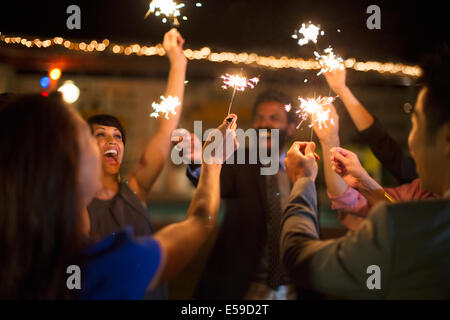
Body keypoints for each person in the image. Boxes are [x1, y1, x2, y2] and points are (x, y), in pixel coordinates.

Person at [0, 93, 237, 299]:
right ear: (64, 169)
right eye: (88, 137)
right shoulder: (106, 266)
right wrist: (212, 163)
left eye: (117, 136)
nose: (109, 143)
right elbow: (200, 222)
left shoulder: (18, 262)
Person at [280, 48, 450, 298]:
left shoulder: (408, 227)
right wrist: (365, 182)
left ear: (447, 138)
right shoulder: (420, 207)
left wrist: (303, 181)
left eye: (415, 124)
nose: (411, 142)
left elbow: (298, 258)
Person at [86, 28, 186, 299]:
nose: (113, 141)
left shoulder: (135, 190)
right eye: (101, 135)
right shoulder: (74, 207)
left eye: (117, 136)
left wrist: (178, 63)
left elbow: (166, 130)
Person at [186, 89, 302, 300]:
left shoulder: (304, 168)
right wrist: (200, 162)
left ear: (291, 127)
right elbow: (213, 183)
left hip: (295, 289)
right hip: (243, 287)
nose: (265, 124)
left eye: (274, 118)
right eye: (259, 118)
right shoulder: (238, 160)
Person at [312, 102, 437, 230]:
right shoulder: (418, 191)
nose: (412, 142)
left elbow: (410, 227)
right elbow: (349, 201)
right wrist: (329, 140)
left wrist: (302, 183)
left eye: (419, 126)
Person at [323, 67, 418, 184]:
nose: (413, 137)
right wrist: (341, 89)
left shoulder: (420, 189)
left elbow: (382, 144)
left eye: (418, 123)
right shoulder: (415, 179)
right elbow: (381, 143)